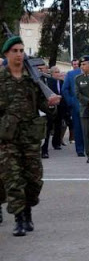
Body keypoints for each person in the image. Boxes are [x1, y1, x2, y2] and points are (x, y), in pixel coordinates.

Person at [0, 36, 61, 236]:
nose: (19, 54)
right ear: (6, 54)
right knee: (13, 179)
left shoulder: (32, 79)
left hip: (30, 137)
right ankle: (19, 218)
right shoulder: (1, 79)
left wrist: (51, 104)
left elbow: (43, 105)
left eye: (21, 50)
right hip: (7, 139)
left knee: (34, 180)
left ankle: (27, 210)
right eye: (15, 51)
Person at [41, 66, 67, 158]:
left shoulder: (62, 82)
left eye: (58, 72)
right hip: (50, 107)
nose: (58, 73)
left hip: (61, 106)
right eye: (56, 72)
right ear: (51, 73)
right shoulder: (48, 82)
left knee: (59, 125)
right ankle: (44, 148)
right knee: (48, 126)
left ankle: (57, 143)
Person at [62, 58, 84, 156]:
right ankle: (80, 150)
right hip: (76, 106)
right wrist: (71, 102)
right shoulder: (71, 74)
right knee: (78, 128)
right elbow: (65, 89)